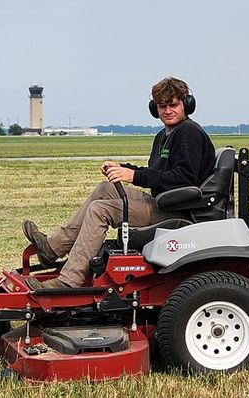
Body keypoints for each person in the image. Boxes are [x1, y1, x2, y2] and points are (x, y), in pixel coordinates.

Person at [23, 77, 215, 288]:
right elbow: (157, 172)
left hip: (179, 209)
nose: (167, 110)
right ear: (155, 108)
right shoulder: (165, 135)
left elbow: (184, 178)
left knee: (100, 210)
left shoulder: (189, 133)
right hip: (164, 201)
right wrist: (123, 168)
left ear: (186, 104)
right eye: (162, 106)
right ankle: (53, 248)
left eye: (173, 105)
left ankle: (70, 280)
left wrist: (133, 176)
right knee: (105, 189)